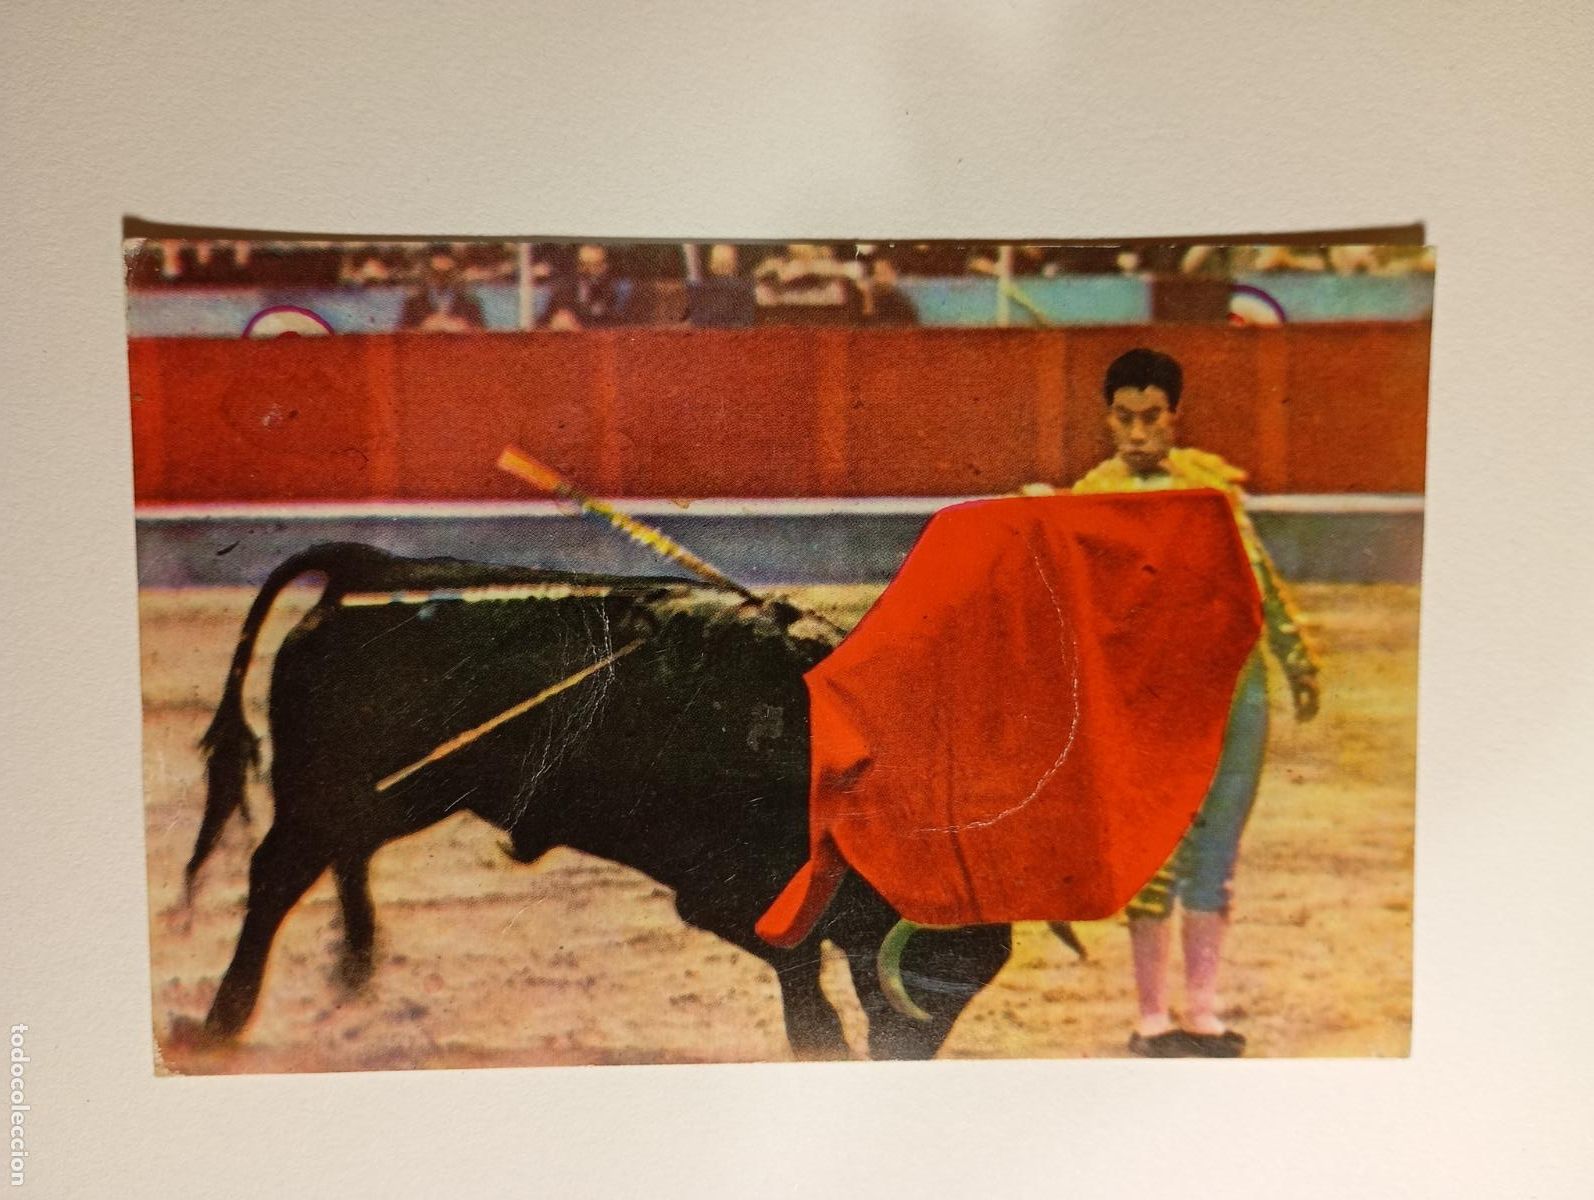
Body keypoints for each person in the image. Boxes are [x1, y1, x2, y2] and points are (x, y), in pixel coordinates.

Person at [1031, 347, 1322, 1057]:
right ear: (1107, 419)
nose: (1138, 432)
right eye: (1124, 418)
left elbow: (1257, 578)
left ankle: (1201, 1012)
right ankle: (1151, 1017)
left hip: (1233, 685)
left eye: (1151, 417)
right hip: (1152, 694)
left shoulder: (1210, 487)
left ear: (1174, 416)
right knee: (1157, 847)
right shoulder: (1092, 498)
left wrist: (1296, 659)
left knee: (1217, 847)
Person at [398, 244, 486, 332]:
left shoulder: (470, 302)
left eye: (447, 273)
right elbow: (401, 333)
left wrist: (464, 327)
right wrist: (423, 328)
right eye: (435, 273)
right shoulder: (413, 303)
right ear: (426, 272)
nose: (440, 279)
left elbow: (482, 333)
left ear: (456, 272)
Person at [540, 243, 629, 330]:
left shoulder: (617, 289)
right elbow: (544, 322)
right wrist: (554, 322)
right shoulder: (563, 288)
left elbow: (620, 324)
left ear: (604, 266)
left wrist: (578, 326)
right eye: (582, 264)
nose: (586, 270)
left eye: (594, 265)